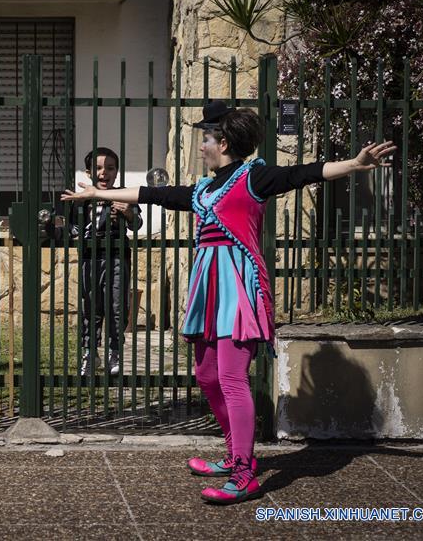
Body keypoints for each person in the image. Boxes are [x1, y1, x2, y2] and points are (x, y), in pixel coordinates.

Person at [61, 102, 395, 504]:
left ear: (222, 142)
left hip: (238, 289)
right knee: (206, 375)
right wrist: (98, 192)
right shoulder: (205, 187)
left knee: (233, 379)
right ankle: (236, 452)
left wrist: (354, 165)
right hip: (208, 289)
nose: (201, 146)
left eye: (205, 139)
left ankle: (243, 472)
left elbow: (303, 173)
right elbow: (157, 194)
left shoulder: (255, 176)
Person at [65, 147, 142, 377]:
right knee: (91, 307)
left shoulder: (123, 194)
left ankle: (114, 352)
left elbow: (136, 224)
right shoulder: (82, 200)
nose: (103, 173)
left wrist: (128, 212)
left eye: (109, 168)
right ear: (89, 172)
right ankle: (90, 353)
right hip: (90, 258)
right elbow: (74, 228)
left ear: (117, 172)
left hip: (117, 257)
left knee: (117, 307)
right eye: (98, 168)